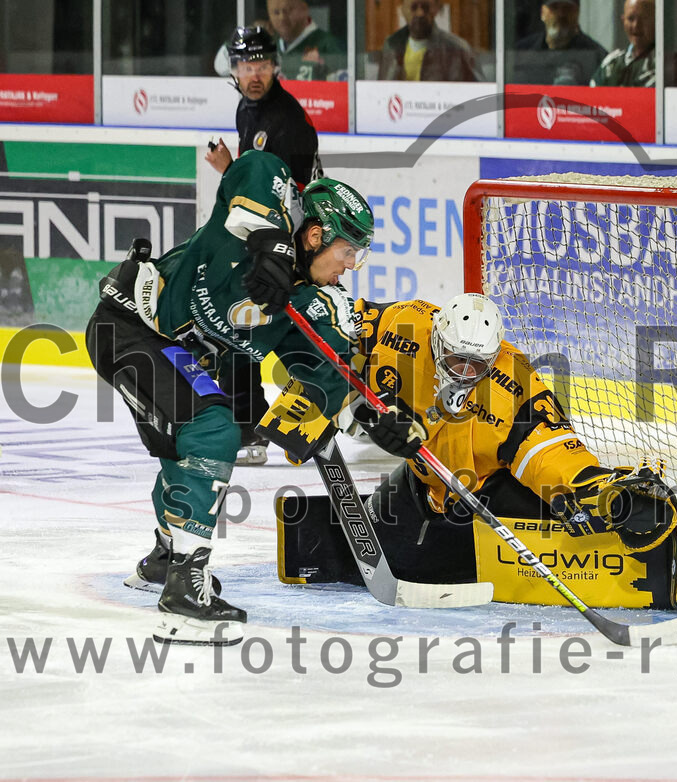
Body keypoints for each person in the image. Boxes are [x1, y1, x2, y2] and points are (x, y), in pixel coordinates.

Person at [85, 151, 400, 645]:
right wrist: (272, 240)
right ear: (315, 235)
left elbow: (328, 377)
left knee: (187, 446)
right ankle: (184, 596)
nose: (349, 267)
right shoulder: (248, 226)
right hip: (127, 327)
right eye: (347, 252)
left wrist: (378, 419)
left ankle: (165, 560)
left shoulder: (309, 303)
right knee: (212, 429)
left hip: (172, 352)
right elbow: (257, 165)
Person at [305, 293, 677, 613]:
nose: (464, 372)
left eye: (477, 364)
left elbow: (549, 448)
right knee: (351, 551)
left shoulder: (514, 381)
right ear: (437, 338)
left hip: (484, 489)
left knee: (574, 519)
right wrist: (330, 406)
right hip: (421, 483)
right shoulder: (401, 324)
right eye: (455, 358)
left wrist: (591, 486)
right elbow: (328, 327)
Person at [206, 26, 323, 465]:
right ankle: (249, 429)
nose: (254, 74)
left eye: (262, 65)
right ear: (234, 70)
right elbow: (260, 186)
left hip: (291, 242)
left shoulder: (286, 122)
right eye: (246, 66)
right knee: (247, 329)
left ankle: (362, 408)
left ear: (276, 66)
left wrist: (228, 170)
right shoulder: (248, 109)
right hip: (270, 238)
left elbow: (286, 197)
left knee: (272, 330)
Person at [377, 0, 483, 82]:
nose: (420, 13)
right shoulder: (391, 46)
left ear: (436, 9)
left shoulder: (457, 50)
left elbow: (479, 96)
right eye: (413, 7)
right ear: (403, 9)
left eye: (425, 7)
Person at [513, 0, 608, 86]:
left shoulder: (598, 58)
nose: (561, 14)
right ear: (542, 13)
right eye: (554, 7)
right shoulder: (521, 53)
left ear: (577, 13)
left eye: (567, 8)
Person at [267, 0, 346, 81]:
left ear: (304, 10)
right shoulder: (269, 47)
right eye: (276, 12)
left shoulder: (329, 45)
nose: (282, 17)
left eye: (288, 10)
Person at [590, 0, 656, 87]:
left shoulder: (665, 64)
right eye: (631, 19)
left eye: (644, 18)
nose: (636, 25)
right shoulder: (612, 63)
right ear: (623, 21)